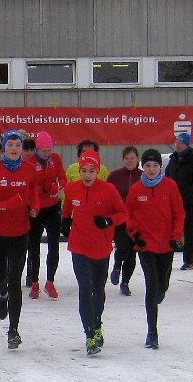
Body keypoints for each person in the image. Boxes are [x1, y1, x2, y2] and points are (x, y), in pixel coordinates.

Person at [62, 151, 129, 355]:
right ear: (79, 171)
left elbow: (123, 213)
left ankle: (97, 324)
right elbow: (66, 210)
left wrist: (109, 220)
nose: (87, 175)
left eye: (92, 171)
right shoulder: (72, 189)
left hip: (101, 248)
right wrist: (65, 222)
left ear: (98, 171)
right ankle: (89, 334)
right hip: (79, 246)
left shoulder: (108, 190)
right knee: (85, 288)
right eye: (84, 171)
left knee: (98, 290)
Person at [0, 130, 39, 350]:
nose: (14, 149)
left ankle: (13, 329)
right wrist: (7, 205)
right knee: (1, 276)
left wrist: (34, 207)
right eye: (10, 145)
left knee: (15, 281)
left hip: (20, 233)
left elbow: (33, 193)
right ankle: (1, 294)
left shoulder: (29, 169)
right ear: (4, 148)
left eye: (18, 145)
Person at [127, 148, 185, 349]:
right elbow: (128, 215)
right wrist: (134, 234)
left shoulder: (170, 186)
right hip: (146, 244)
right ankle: (152, 332)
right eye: (148, 165)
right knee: (151, 283)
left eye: (155, 166)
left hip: (166, 243)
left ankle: (162, 289)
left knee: (162, 283)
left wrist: (175, 237)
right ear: (142, 167)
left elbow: (179, 213)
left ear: (161, 167)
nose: (151, 169)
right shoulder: (136, 189)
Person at [25, 131, 67, 300]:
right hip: (36, 209)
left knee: (53, 245)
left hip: (52, 208)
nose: (47, 154)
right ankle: (34, 282)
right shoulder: (29, 163)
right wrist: (41, 188)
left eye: (49, 150)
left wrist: (56, 186)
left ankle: (50, 281)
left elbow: (63, 179)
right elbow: (27, 184)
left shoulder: (55, 159)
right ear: (37, 149)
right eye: (43, 151)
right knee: (34, 247)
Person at [163, 133, 193, 270]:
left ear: (187, 144)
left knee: (188, 230)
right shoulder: (173, 160)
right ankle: (166, 257)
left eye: (181, 142)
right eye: (176, 141)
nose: (177, 144)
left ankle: (189, 260)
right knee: (169, 228)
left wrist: (189, 192)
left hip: (187, 201)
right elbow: (167, 177)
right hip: (172, 200)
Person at [106, 146, 142, 296]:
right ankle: (117, 266)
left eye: (132, 158)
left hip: (137, 221)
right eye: (127, 158)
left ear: (137, 159)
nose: (129, 161)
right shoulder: (115, 176)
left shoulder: (143, 176)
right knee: (123, 246)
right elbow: (107, 195)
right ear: (123, 159)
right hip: (120, 219)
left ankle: (125, 282)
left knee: (133, 251)